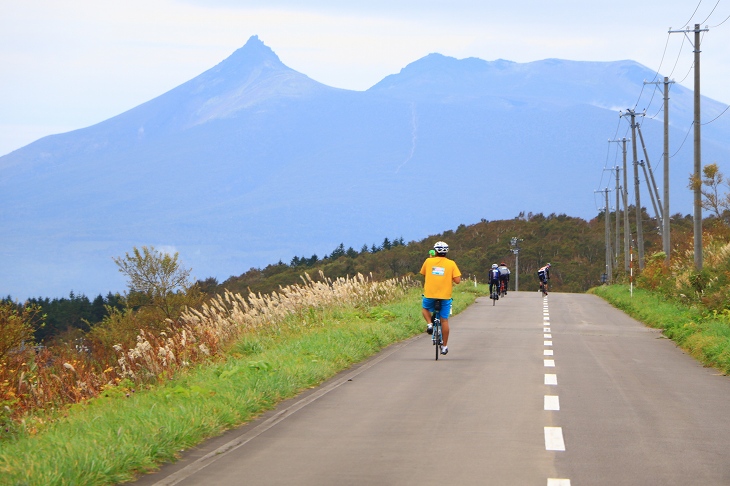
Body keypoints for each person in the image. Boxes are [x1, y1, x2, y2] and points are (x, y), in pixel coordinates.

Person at [420, 241, 461, 355]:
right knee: (444, 320)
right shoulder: (451, 263)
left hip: (430, 294)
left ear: (435, 251)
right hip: (445, 296)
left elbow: (423, 273)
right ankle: (444, 346)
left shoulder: (428, 261)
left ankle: (429, 324)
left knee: (425, 308)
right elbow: (457, 281)